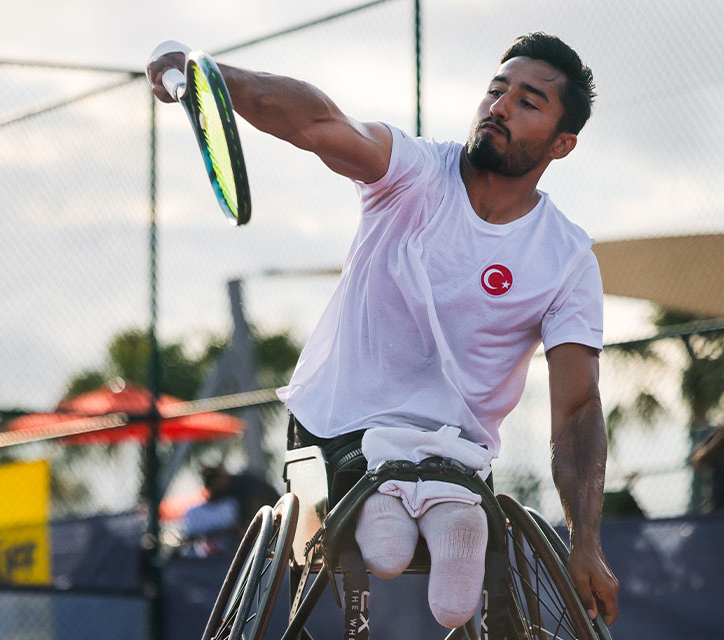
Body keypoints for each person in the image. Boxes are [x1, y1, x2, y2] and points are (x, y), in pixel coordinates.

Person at [148, 32, 619, 627]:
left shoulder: (567, 259)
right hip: (337, 429)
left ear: (562, 143)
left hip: (454, 456)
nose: (499, 106)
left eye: (528, 102)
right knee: (387, 548)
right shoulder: (415, 172)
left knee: (460, 580)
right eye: (496, 91)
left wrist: (585, 542)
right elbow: (318, 124)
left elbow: (578, 410)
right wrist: (210, 77)